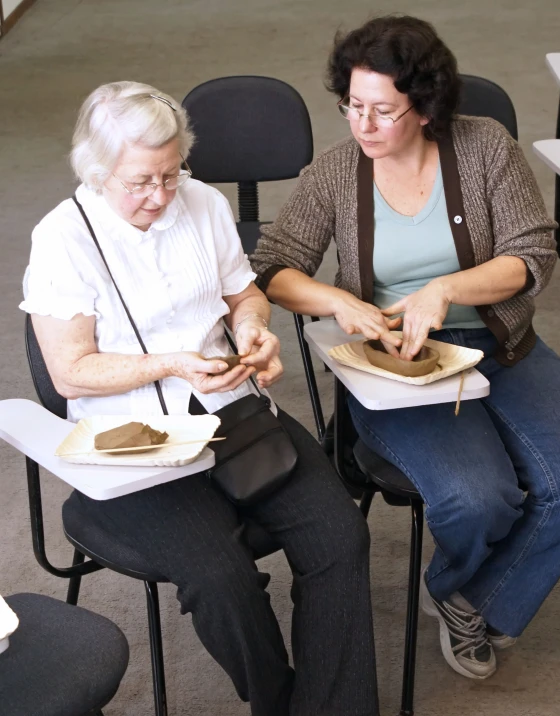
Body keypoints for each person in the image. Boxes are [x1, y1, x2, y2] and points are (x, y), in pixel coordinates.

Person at [20, 81, 380, 716]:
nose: (161, 196)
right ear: (96, 170)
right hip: (130, 442)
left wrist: (251, 329)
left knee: (339, 536)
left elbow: (244, 292)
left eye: (171, 173)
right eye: (140, 182)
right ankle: (281, 703)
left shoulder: (202, 202)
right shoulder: (61, 239)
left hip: (231, 409)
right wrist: (174, 364)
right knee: (222, 579)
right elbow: (71, 372)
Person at [250, 15, 560, 681]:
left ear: (424, 108)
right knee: (477, 498)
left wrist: (446, 289)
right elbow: (274, 267)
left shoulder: (486, 148)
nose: (362, 126)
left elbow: (533, 254)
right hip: (393, 360)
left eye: (383, 111)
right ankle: (471, 581)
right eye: (352, 106)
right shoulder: (337, 172)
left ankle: (465, 595)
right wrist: (340, 301)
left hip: (498, 341)